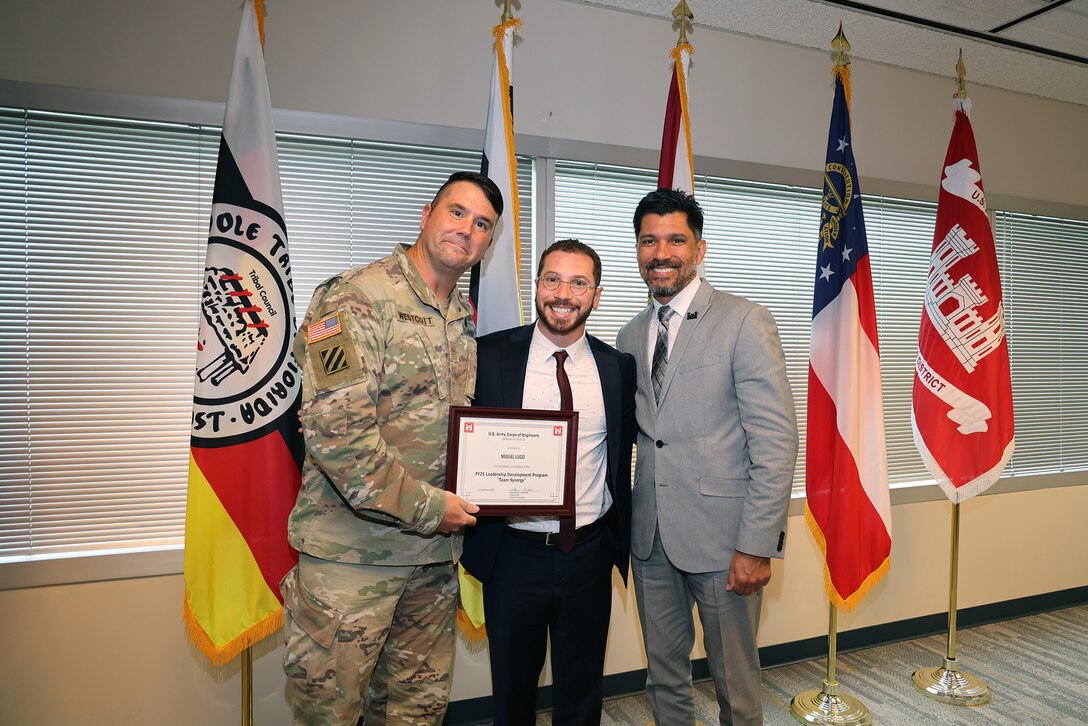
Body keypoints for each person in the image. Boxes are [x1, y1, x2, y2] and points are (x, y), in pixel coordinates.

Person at [279, 171, 503, 725]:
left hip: (428, 563)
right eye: (457, 212)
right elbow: (340, 439)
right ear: (427, 214)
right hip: (351, 564)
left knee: (413, 715)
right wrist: (435, 510)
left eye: (482, 225)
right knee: (330, 714)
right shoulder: (353, 298)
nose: (466, 230)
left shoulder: (461, 320)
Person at [616, 189, 798, 726]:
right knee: (663, 678)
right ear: (638, 250)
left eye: (676, 239)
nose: (661, 252)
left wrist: (757, 543)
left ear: (700, 248)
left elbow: (775, 439)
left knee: (734, 683)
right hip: (649, 543)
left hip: (726, 544)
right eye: (649, 240)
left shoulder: (745, 321)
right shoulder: (630, 335)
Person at [460, 239, 636, 725]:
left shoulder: (618, 368)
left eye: (579, 282)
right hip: (512, 555)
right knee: (512, 694)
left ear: (596, 295)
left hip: (588, 553)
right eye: (553, 279)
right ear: (537, 286)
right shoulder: (489, 355)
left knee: (582, 693)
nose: (564, 292)